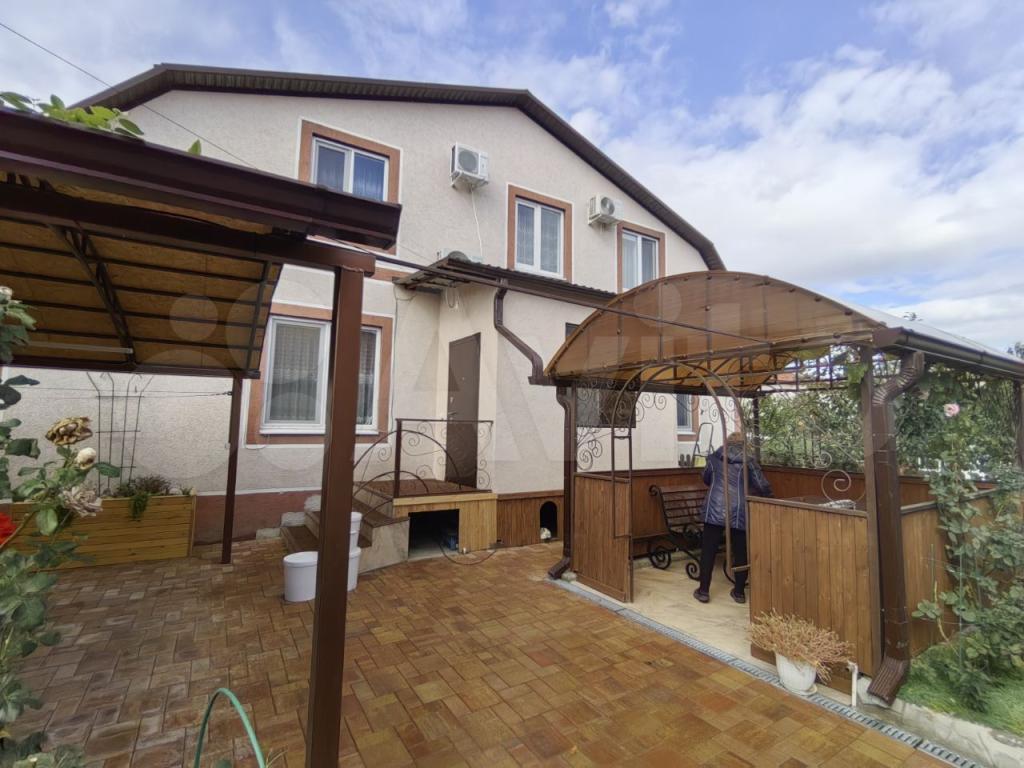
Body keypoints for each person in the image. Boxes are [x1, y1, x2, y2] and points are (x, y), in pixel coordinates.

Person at [693, 431, 771, 604]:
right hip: (739, 511)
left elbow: (706, 478)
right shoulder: (749, 461)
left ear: (727, 442)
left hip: (714, 508)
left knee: (708, 551)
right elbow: (762, 485)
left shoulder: (714, 458)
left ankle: (703, 591)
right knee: (741, 551)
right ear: (743, 444)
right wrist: (771, 498)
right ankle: (739, 593)